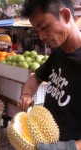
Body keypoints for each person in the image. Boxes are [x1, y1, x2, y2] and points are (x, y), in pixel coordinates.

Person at [18, 0, 81, 149]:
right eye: (37, 30)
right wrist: (27, 94)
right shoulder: (58, 52)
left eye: (44, 27)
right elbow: (36, 77)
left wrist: (68, 147)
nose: (41, 36)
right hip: (44, 138)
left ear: (65, 15)